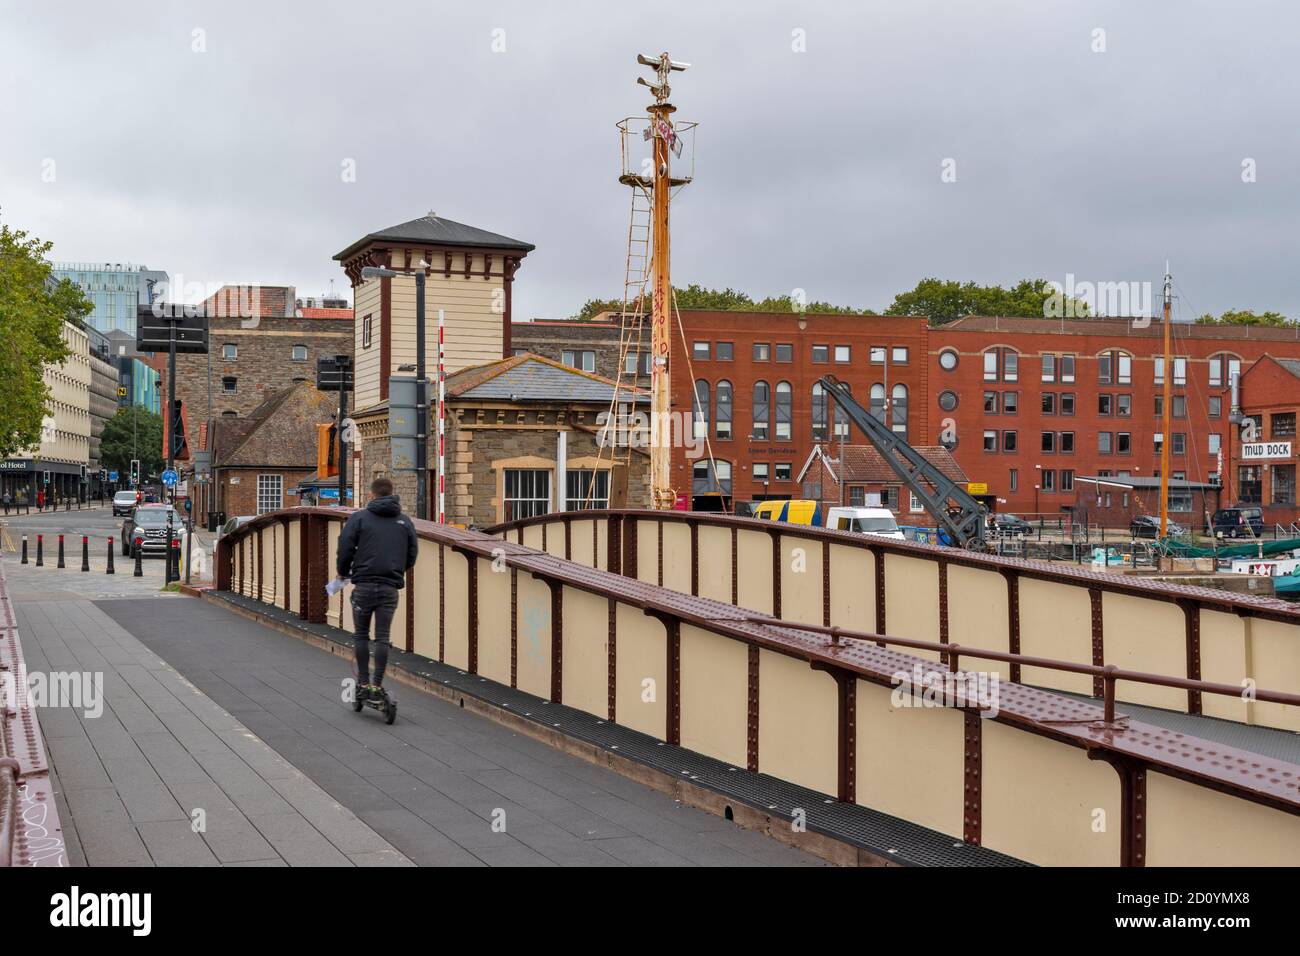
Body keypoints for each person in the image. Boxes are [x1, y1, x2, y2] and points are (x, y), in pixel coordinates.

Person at [336, 477, 418, 703]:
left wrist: (344, 572)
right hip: (389, 588)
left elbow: (345, 547)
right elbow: (412, 555)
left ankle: (362, 682)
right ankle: (377, 685)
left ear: (371, 495)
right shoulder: (404, 521)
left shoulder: (359, 519)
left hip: (363, 586)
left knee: (361, 635)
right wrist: (396, 572)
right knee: (383, 637)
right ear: (393, 494)